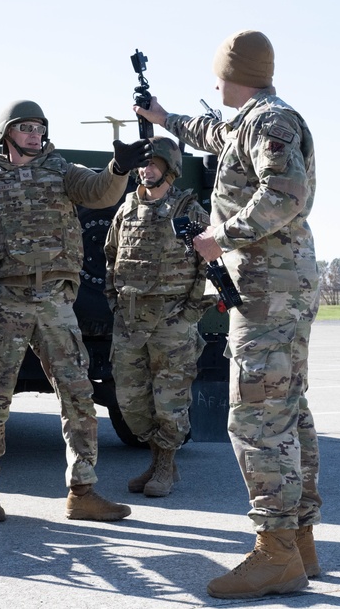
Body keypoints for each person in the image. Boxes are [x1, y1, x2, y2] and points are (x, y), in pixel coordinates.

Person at [135, 29, 321, 599]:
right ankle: (300, 541)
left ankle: (275, 552)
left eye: (218, 73)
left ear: (234, 71)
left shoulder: (271, 122)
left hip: (270, 291)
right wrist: (162, 116)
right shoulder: (249, 120)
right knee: (288, 409)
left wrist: (223, 233)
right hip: (275, 288)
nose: (213, 83)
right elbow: (210, 131)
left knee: (255, 419)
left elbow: (286, 193)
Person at [0, 100, 148, 523]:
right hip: (6, 301)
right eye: (25, 127)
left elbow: (99, 193)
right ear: (7, 133)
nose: (35, 133)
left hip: (56, 302)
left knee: (78, 394)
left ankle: (83, 490)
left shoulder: (61, 171)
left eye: (40, 126)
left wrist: (118, 170)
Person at [104, 136, 213, 498]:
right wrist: (116, 305)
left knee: (169, 401)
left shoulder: (188, 212)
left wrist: (189, 314)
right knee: (132, 401)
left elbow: (210, 266)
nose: (146, 169)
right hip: (130, 323)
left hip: (171, 322)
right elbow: (110, 259)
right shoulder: (126, 210)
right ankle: (156, 459)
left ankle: (165, 464)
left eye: (154, 164)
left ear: (170, 169)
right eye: (143, 164)